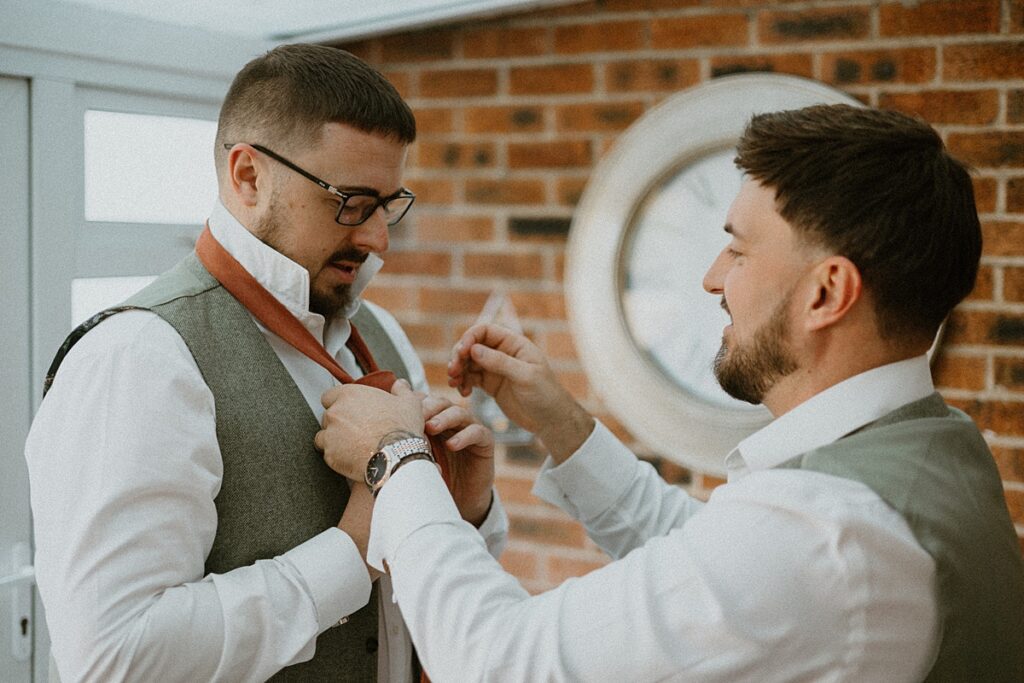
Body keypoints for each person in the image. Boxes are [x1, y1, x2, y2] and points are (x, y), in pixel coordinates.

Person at [315, 104, 1024, 682]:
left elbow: (502, 660)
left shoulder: (826, 529)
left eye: (739, 250)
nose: (713, 278)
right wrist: (566, 427)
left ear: (827, 292)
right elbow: (710, 555)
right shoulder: (937, 450)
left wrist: (397, 457)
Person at [26, 43, 506, 682]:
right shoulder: (137, 358)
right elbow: (116, 657)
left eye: (388, 206)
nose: (377, 239)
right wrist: (353, 550)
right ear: (248, 176)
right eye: (351, 202)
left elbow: (421, 605)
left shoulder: (380, 334)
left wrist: (466, 512)